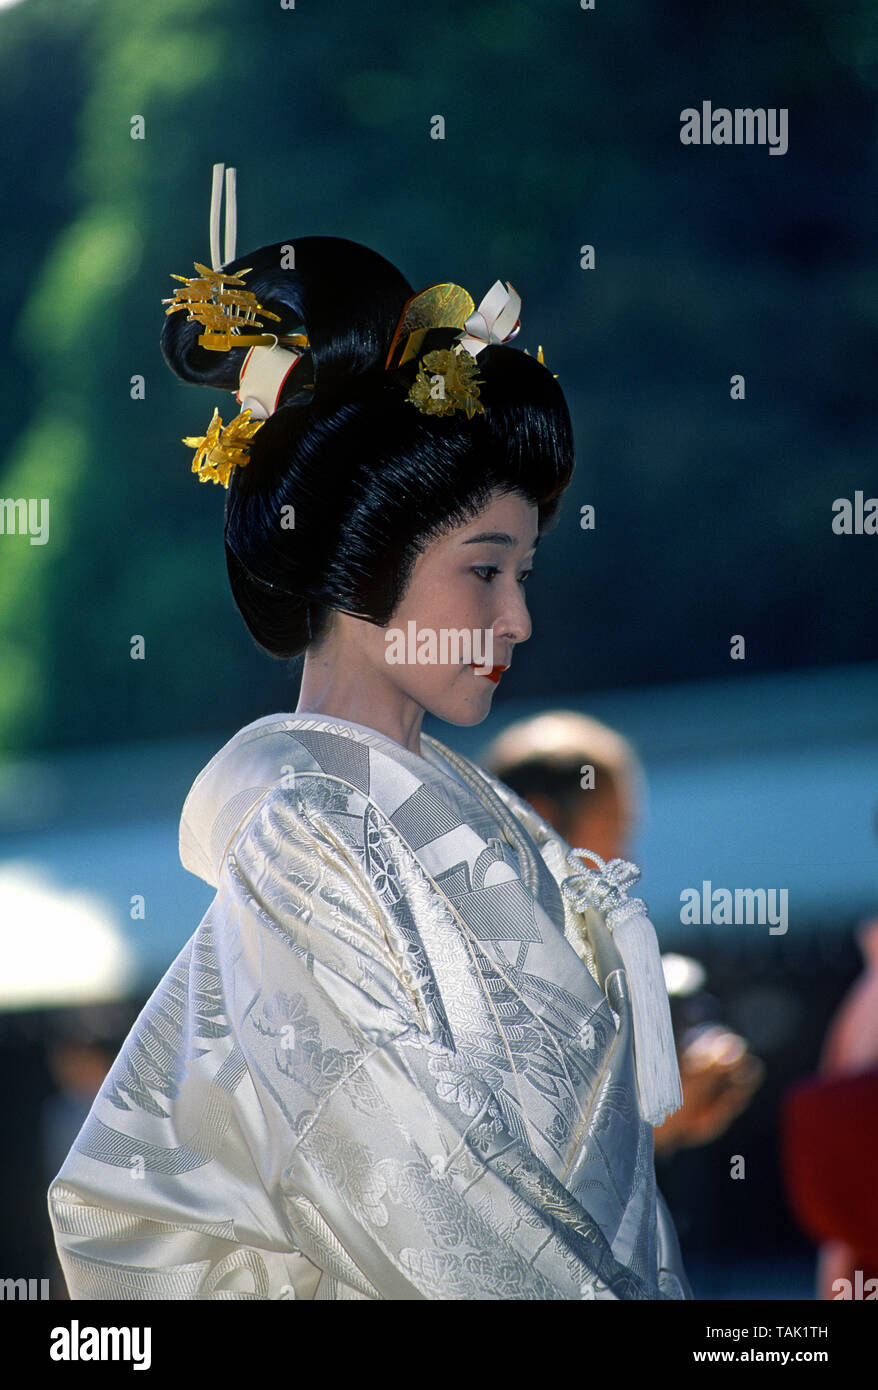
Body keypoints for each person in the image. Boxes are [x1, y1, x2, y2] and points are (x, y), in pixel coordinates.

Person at [47, 164, 690, 1301]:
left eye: (522, 572)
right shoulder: (299, 830)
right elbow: (416, 1185)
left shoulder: (477, 819)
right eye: (483, 571)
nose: (517, 618)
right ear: (359, 562)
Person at [479, 710, 763, 1157]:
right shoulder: (484, 963)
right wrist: (655, 1125)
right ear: (542, 819)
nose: (630, 864)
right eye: (615, 832)